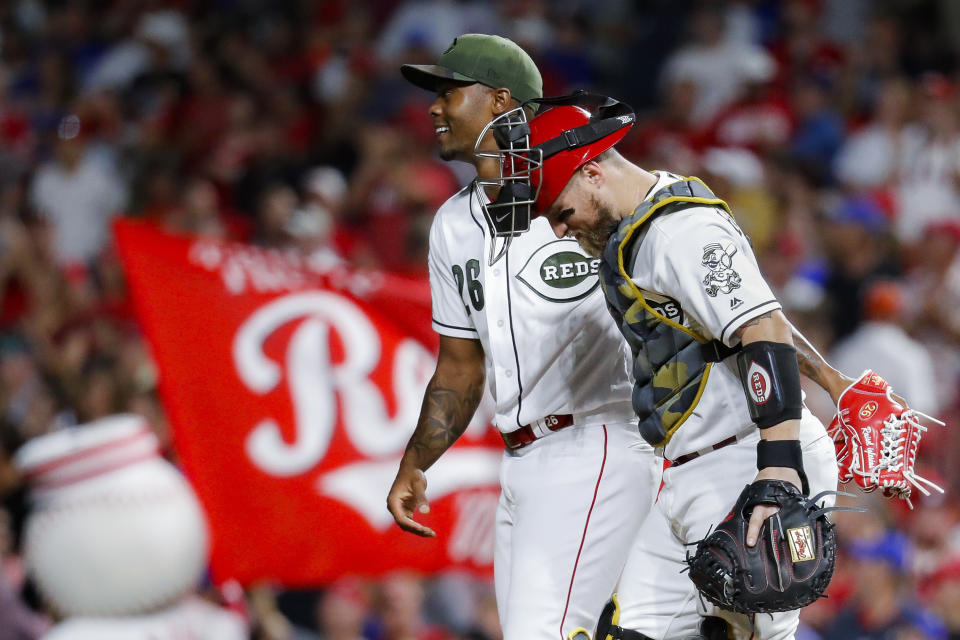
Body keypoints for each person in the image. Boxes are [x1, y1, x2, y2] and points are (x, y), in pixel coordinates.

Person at [481, 96, 853, 639]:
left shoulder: (679, 229)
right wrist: (835, 383)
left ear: (591, 174)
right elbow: (744, 318)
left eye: (561, 211)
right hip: (686, 469)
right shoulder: (639, 229)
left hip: (746, 458)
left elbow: (762, 328)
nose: (560, 230)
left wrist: (778, 467)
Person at [385, 35, 663, 640]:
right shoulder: (452, 224)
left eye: (449, 91)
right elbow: (460, 366)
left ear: (502, 103)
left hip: (600, 439)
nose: (434, 108)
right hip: (521, 461)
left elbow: (701, 289)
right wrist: (416, 461)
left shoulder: (586, 195)